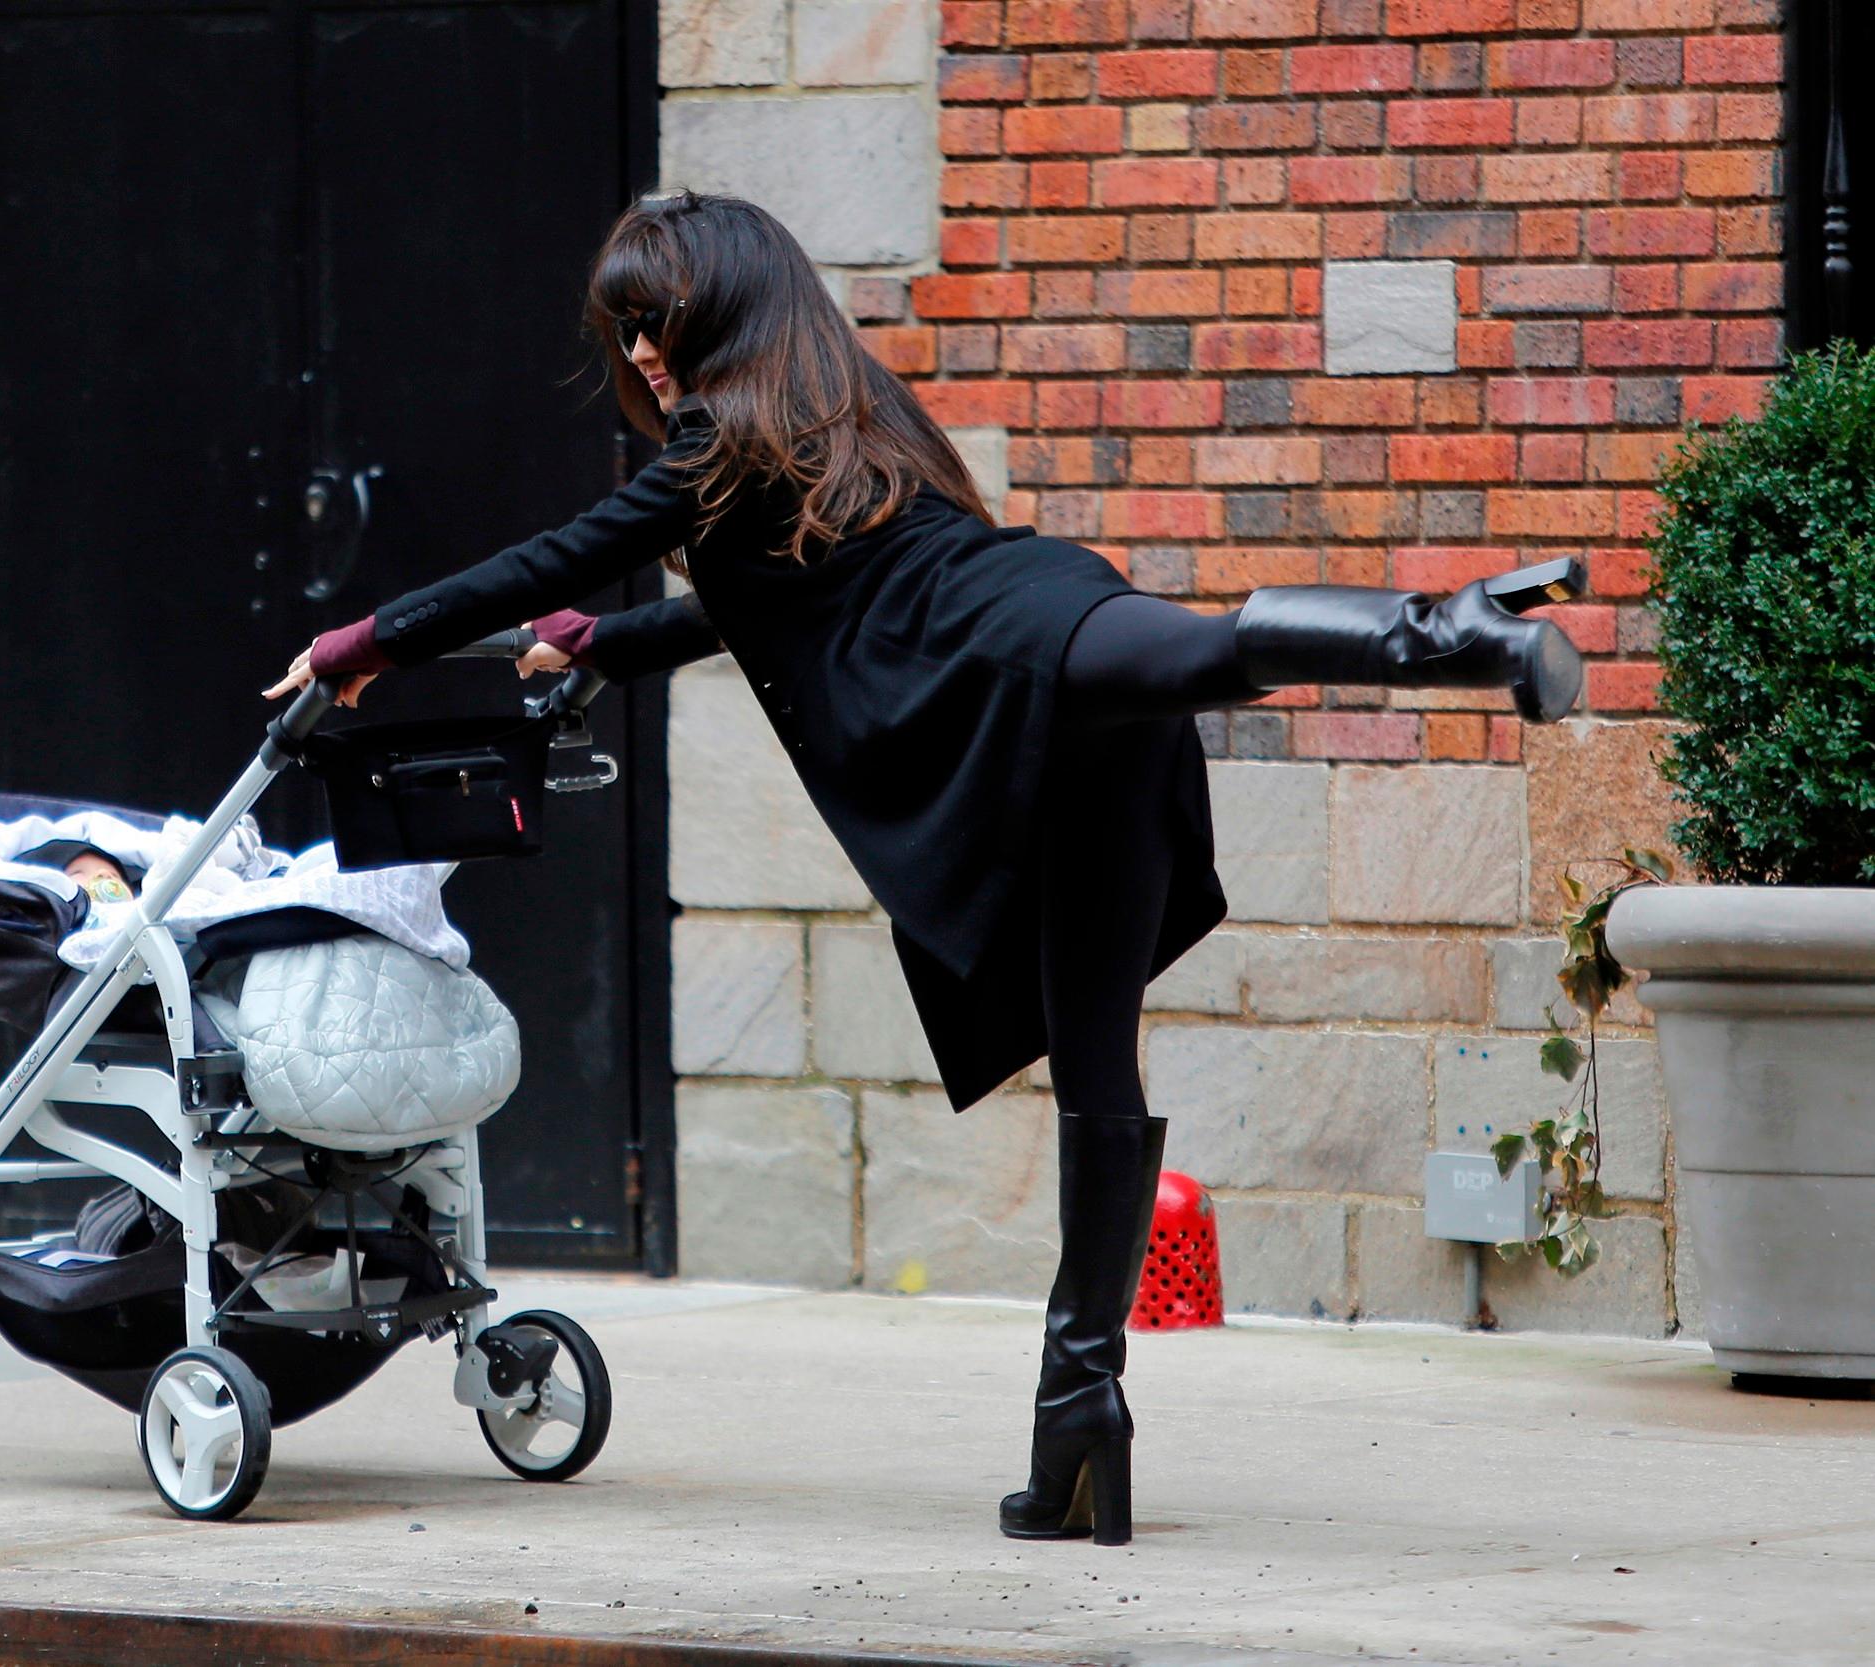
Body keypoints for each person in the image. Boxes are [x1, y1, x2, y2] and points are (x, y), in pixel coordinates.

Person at [263, 191, 1587, 1546]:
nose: (643, 353)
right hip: (1038, 672)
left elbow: (564, 553)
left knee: (1194, 656)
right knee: (1099, 1045)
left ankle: (1449, 629)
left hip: (999, 661)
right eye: (626, 329)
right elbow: (760, 603)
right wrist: (602, 647)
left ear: (724, 305)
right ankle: (1080, 1413)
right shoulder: (831, 409)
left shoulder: (731, 429)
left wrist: (373, 637)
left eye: (658, 322)